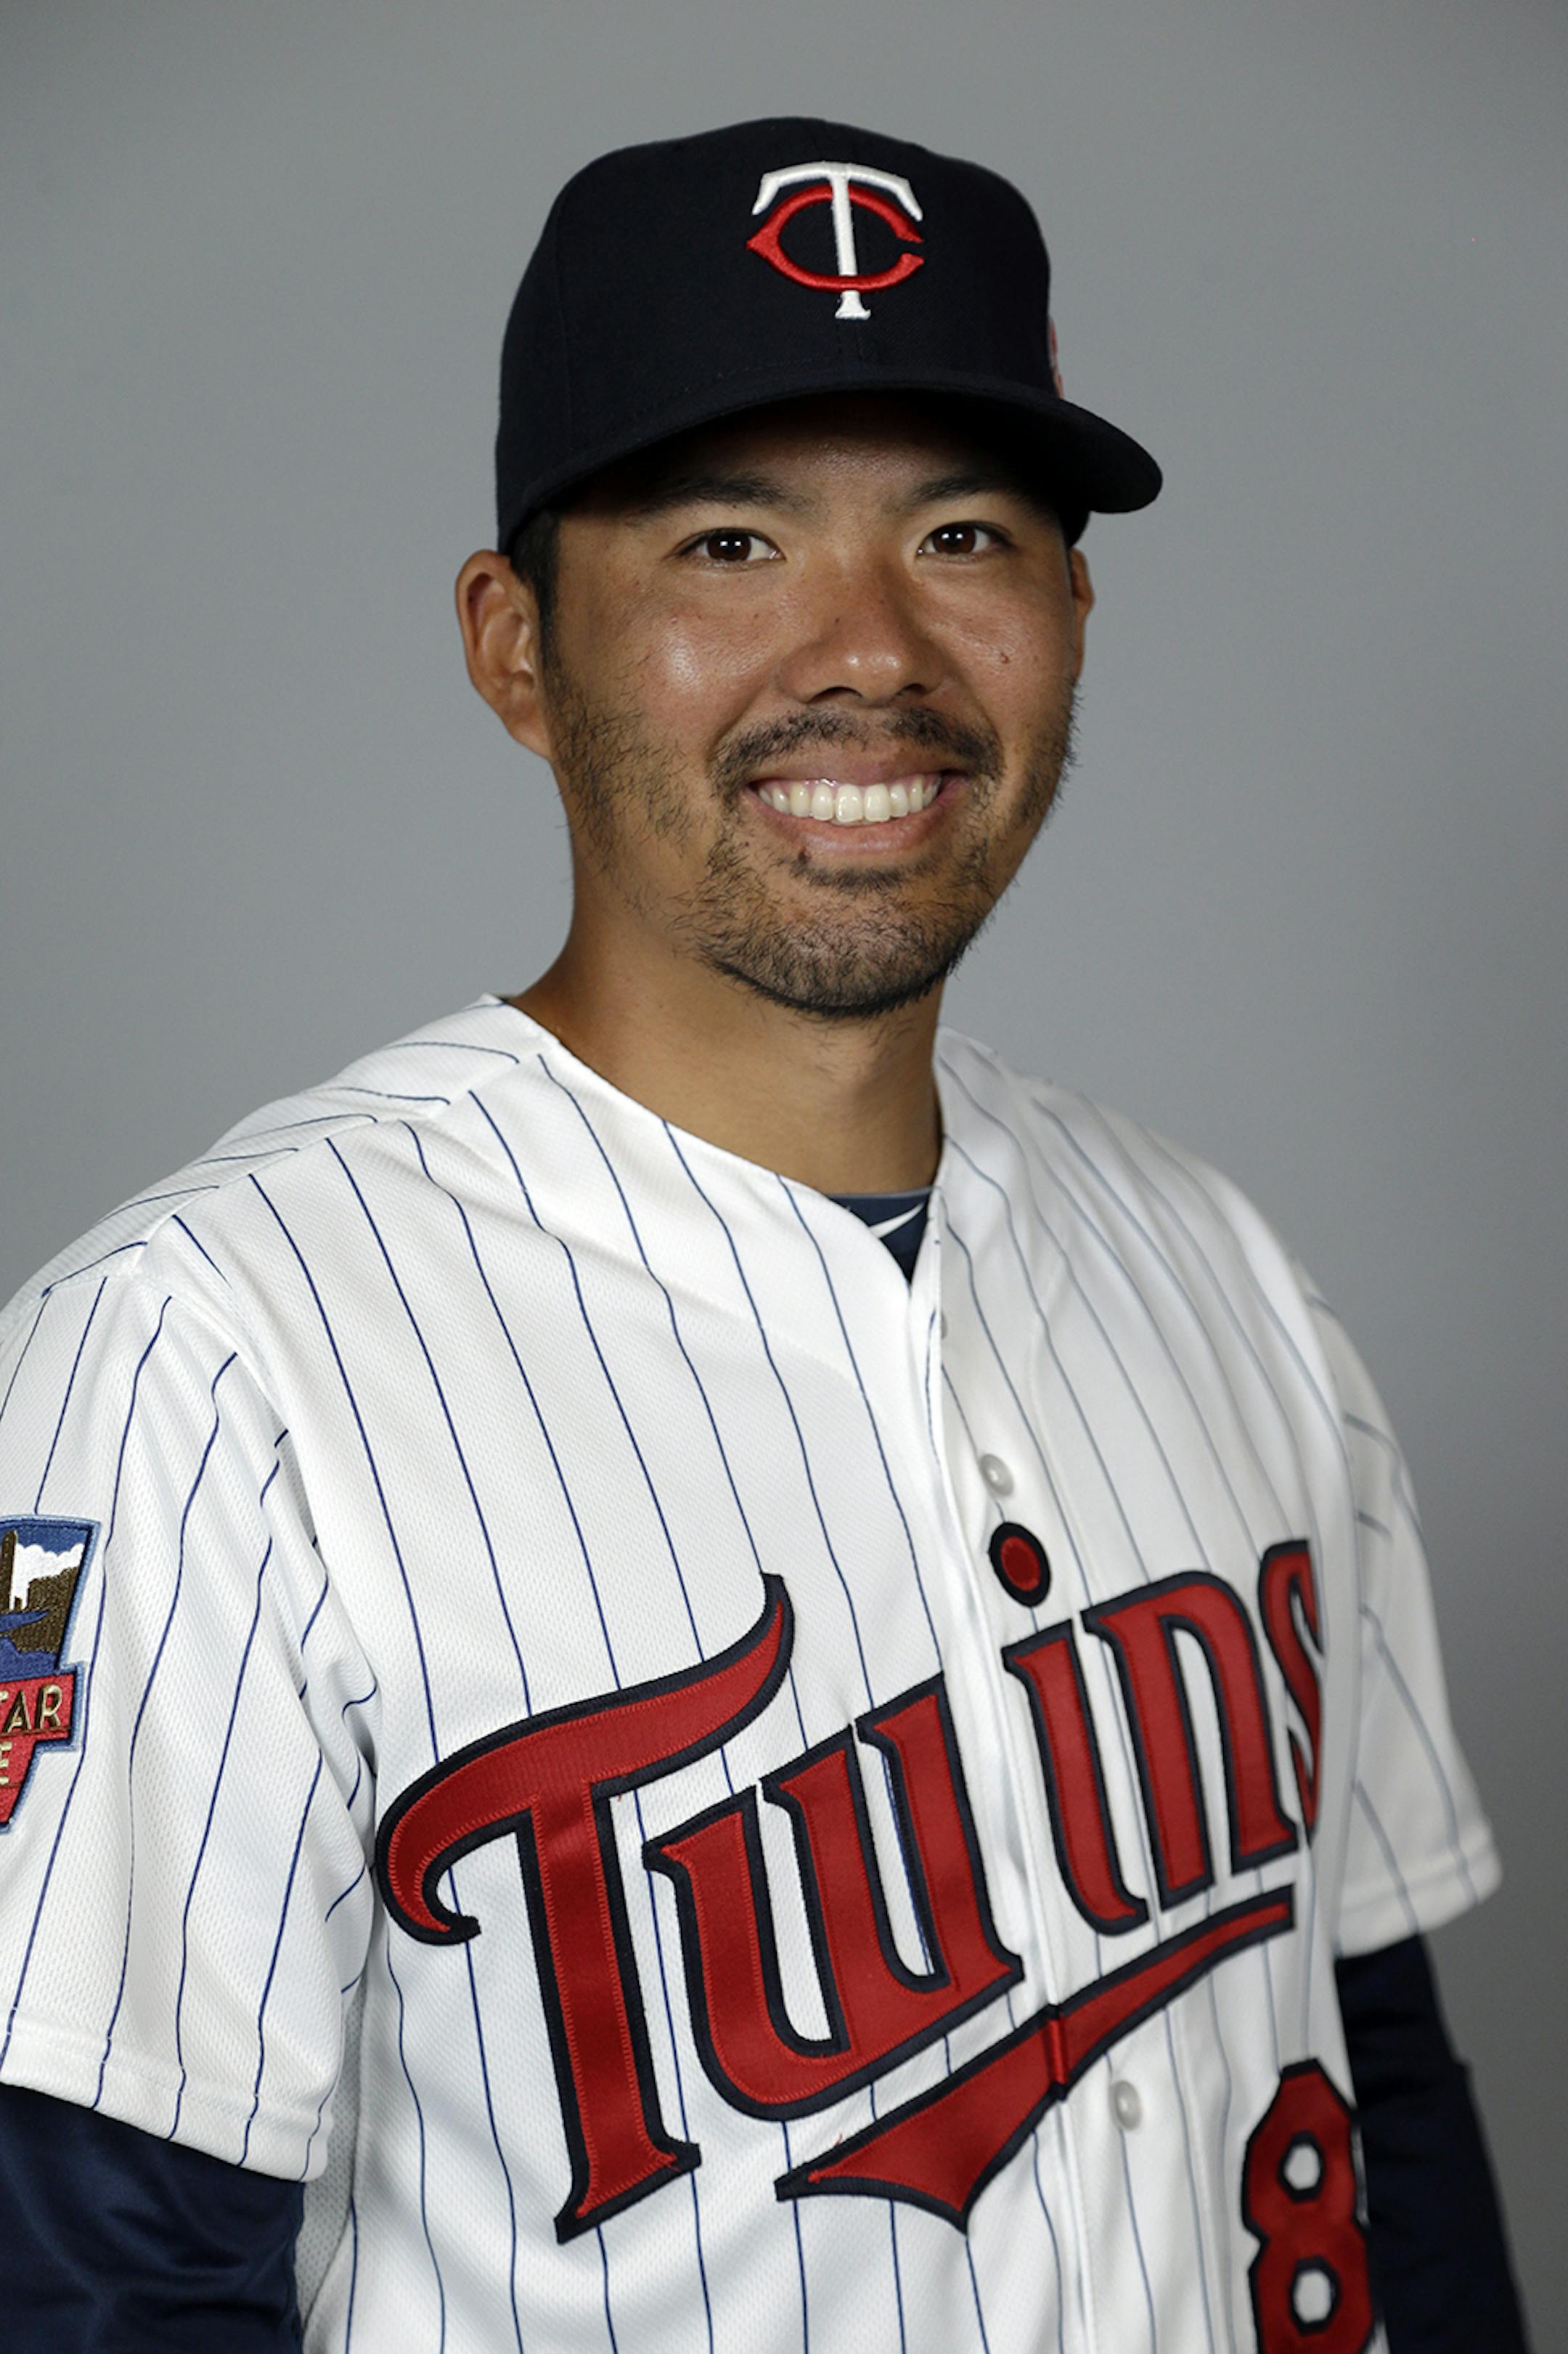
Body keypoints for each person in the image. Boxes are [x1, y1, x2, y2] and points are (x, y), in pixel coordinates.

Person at [0, 115, 1528, 2353]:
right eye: (731, 540)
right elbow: (90, 2285)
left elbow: (1374, 2067)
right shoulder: (200, 1363)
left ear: (1073, 617)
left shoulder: (1229, 1280)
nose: (871, 649)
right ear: (516, 648)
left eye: (966, 532)